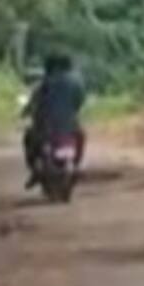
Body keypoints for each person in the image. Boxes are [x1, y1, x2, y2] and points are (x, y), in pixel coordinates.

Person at [22, 52, 88, 189]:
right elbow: (79, 102)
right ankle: (75, 166)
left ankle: (35, 171)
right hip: (70, 126)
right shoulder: (76, 83)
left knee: (29, 139)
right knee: (81, 137)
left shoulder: (44, 84)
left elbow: (34, 103)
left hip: (46, 127)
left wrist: (27, 112)